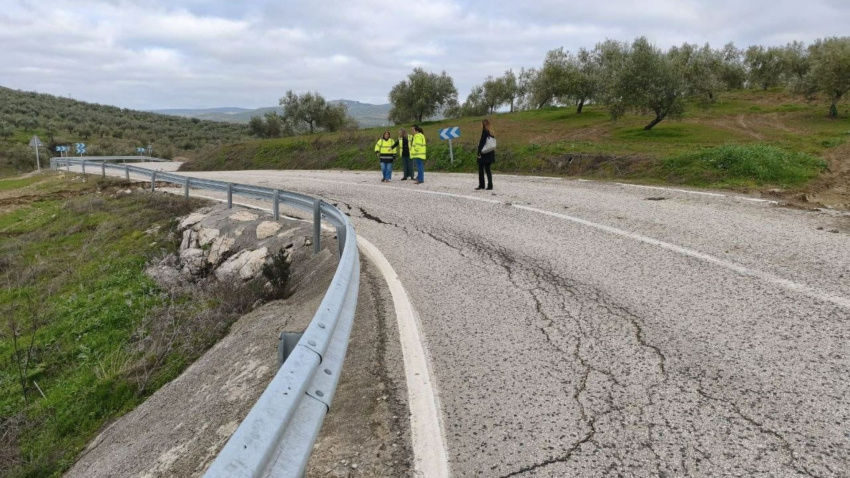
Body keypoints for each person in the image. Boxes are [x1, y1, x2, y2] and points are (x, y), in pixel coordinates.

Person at [476, 119, 495, 190]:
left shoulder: (484, 131)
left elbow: (482, 142)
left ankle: (481, 185)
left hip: (484, 153)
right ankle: (490, 185)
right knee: (488, 170)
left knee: (481, 169)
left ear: (483, 124)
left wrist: (479, 152)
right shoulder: (491, 131)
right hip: (490, 152)